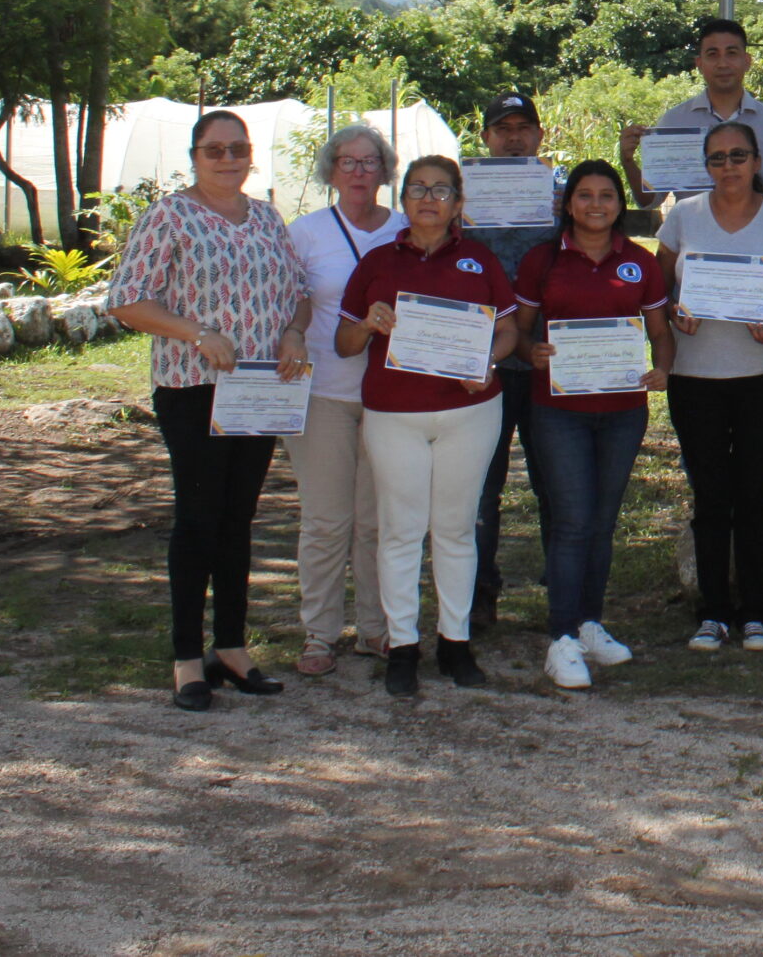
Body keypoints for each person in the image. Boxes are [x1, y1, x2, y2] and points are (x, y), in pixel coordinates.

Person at [106, 109, 313, 711]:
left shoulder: (268, 218)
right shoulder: (169, 216)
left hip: (260, 392)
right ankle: (185, 656)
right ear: (194, 157)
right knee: (197, 519)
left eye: (237, 149)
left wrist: (296, 334)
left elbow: (300, 292)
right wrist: (196, 332)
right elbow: (127, 300)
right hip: (194, 389)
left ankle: (232, 647)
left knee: (238, 519)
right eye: (214, 150)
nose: (228, 159)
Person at [337, 155, 523, 695]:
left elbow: (508, 328)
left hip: (469, 410)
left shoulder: (479, 259)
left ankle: (455, 643)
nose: (428, 199)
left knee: (456, 528)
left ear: (458, 204)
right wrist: (369, 323)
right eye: (418, 188)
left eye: (441, 191)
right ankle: (401, 647)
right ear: (404, 200)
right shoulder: (377, 262)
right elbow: (343, 343)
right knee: (400, 530)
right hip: (394, 413)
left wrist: (488, 361)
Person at [515, 161, 673, 690]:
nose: (596, 205)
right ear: (568, 204)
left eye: (607, 195)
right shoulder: (542, 260)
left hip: (623, 411)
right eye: (585, 195)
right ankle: (560, 637)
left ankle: (588, 623)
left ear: (619, 205)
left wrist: (663, 367)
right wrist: (529, 350)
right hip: (559, 410)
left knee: (603, 521)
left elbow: (659, 329)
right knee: (572, 520)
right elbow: (516, 332)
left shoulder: (639, 262)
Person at [657, 119, 763, 654]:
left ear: (757, 162)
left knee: (755, 495)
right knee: (711, 497)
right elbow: (660, 282)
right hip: (696, 376)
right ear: (706, 166)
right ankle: (713, 612)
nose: (729, 167)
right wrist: (673, 310)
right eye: (717, 158)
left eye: (739, 156)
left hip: (762, 374)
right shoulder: (684, 217)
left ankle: (757, 613)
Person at [281, 122, 403, 676]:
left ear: (385, 170)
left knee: (378, 522)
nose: (358, 172)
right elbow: (291, 302)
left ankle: (377, 629)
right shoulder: (304, 233)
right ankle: (320, 634)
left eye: (369, 161)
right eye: (347, 162)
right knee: (327, 520)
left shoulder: (406, 230)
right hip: (323, 391)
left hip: (391, 396)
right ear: (331, 171)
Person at [467, 88, 559, 631]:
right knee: (483, 486)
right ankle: (480, 593)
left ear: (540, 136)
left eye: (524, 128)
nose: (514, 138)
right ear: (486, 139)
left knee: (555, 482)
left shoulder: (564, 195)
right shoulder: (463, 197)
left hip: (552, 359)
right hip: (485, 363)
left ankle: (561, 590)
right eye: (503, 129)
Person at [624, 17, 763, 202]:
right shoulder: (673, 121)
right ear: (699, 64)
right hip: (690, 230)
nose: (722, 63)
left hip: (760, 230)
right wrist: (628, 161)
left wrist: (749, 202)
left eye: (731, 53)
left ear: (747, 61)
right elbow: (651, 201)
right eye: (713, 54)